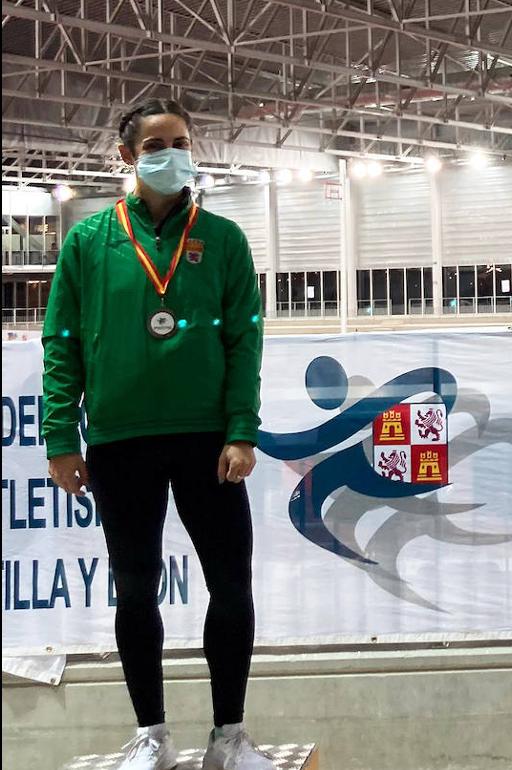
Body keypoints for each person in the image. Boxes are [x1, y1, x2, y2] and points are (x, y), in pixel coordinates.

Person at [41, 98, 274, 770]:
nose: (171, 155)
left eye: (181, 142)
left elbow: (244, 342)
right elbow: (62, 342)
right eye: (154, 146)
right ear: (126, 156)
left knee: (231, 587)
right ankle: (153, 735)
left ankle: (229, 736)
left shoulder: (223, 239)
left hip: (208, 441)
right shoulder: (89, 241)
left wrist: (242, 430)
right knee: (136, 588)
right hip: (121, 440)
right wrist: (61, 437)